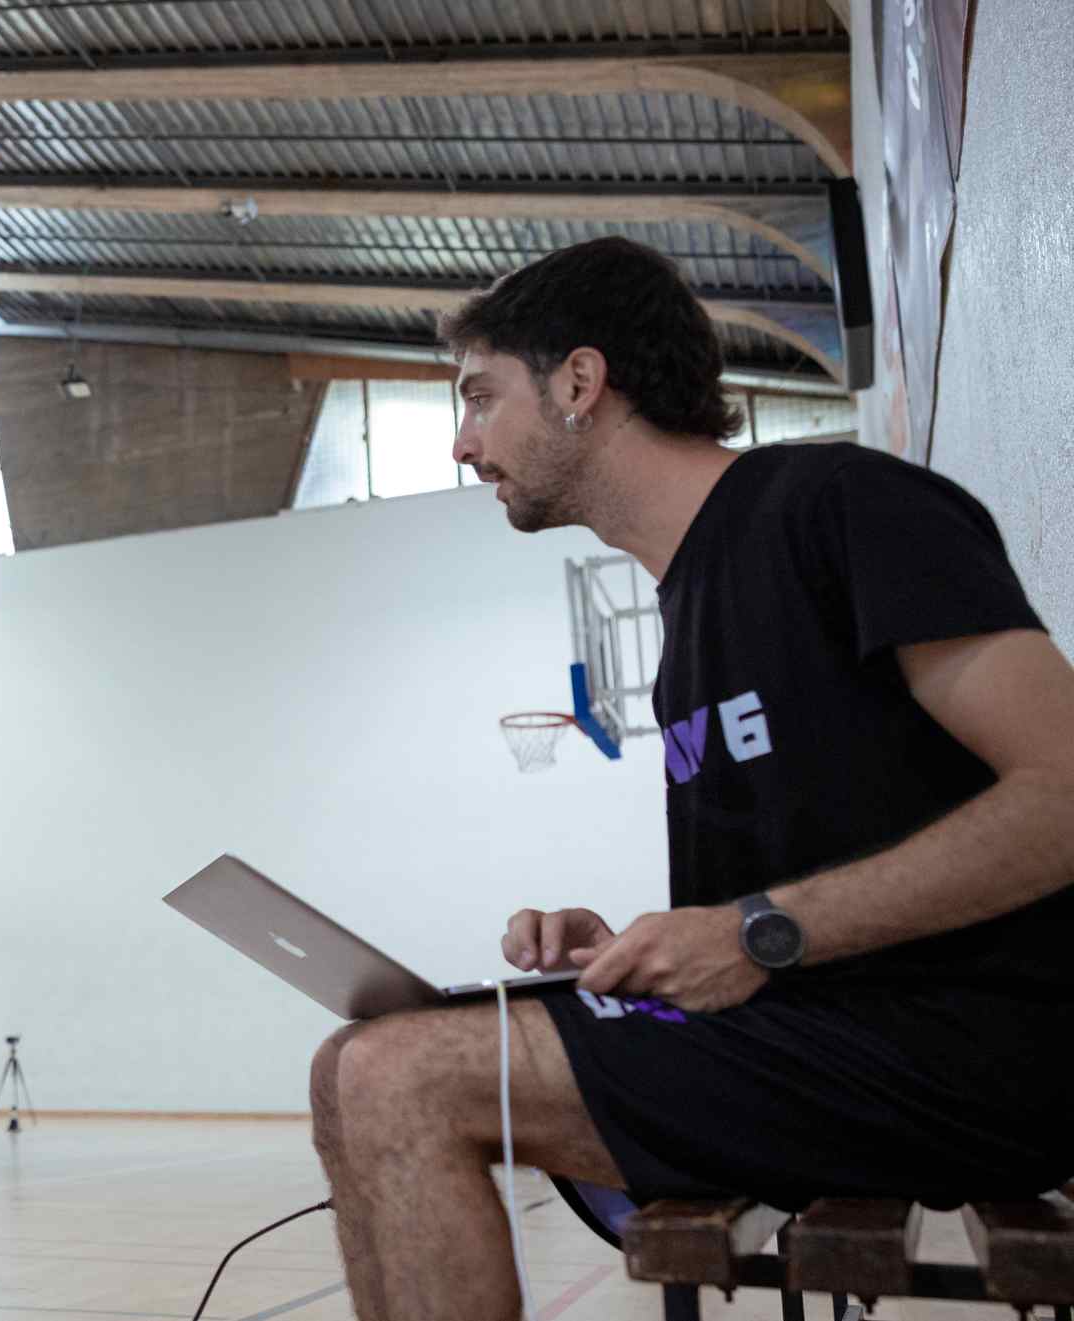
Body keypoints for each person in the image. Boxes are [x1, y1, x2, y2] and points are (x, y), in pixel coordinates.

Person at [307, 236, 1074, 1321]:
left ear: (580, 382)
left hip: (974, 1054)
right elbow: (781, 909)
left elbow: (1066, 792)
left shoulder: (841, 505)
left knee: (403, 1074)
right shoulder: (682, 622)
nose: (463, 444)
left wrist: (760, 929)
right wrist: (639, 943)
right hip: (823, 1041)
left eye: (480, 398)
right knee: (348, 1064)